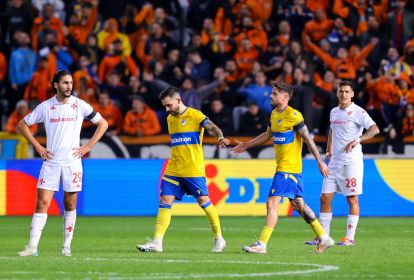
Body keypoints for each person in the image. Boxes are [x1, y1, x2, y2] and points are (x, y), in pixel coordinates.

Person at [232, 81, 334, 254]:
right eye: (272, 93)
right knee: (299, 205)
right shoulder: (273, 114)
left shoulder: (294, 116)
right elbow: (268, 134)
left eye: (274, 94)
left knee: (272, 203)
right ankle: (324, 237)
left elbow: (308, 139)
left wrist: (320, 162)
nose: (271, 96)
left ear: (285, 97)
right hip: (288, 170)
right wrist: (247, 145)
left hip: (288, 169)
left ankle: (262, 244)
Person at [17, 70, 108, 257]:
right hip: (51, 162)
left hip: (72, 162)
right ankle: (32, 247)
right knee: (42, 202)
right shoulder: (45, 107)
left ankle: (67, 246)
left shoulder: (79, 105)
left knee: (70, 202)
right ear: (56, 85)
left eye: (71, 83)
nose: (69, 86)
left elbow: (103, 124)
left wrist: (88, 146)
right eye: (65, 83)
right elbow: (22, 124)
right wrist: (38, 146)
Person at [137, 86, 230, 253]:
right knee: (165, 201)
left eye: (169, 105)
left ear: (178, 100)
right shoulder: (170, 119)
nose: (167, 109)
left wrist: (221, 137)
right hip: (173, 169)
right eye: (165, 106)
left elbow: (212, 127)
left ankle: (219, 238)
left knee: (204, 202)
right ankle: (157, 242)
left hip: (193, 170)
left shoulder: (195, 115)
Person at [305, 80, 379, 247]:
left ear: (352, 94)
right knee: (324, 197)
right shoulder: (334, 111)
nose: (343, 94)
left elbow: (375, 129)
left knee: (352, 199)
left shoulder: (359, 112)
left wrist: (358, 139)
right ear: (337, 93)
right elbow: (332, 129)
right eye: (341, 91)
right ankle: (323, 236)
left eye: (347, 91)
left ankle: (349, 238)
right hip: (334, 163)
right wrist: (329, 149)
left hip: (351, 162)